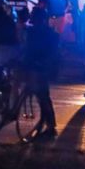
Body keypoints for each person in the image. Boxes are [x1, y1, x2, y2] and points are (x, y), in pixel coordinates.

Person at [21, 8, 59, 140]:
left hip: (38, 67)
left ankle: (50, 126)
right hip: (41, 67)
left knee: (42, 96)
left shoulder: (35, 32)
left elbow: (29, 50)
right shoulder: (48, 33)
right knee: (43, 96)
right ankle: (49, 124)